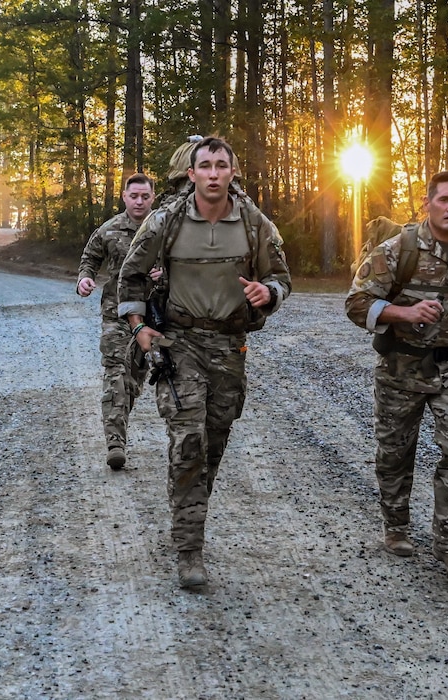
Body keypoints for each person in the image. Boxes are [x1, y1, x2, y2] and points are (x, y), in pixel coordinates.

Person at [117, 137, 291, 588]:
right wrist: (139, 327)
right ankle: (189, 547)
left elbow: (281, 278)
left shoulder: (255, 223)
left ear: (233, 173)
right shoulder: (165, 221)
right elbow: (131, 275)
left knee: (213, 443)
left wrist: (267, 293)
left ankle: (185, 507)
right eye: (205, 166)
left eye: (221, 166)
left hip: (230, 346)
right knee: (188, 439)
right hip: (180, 343)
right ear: (191, 174)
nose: (214, 174)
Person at [344, 170, 448, 584]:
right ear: (427, 203)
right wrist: (404, 313)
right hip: (401, 367)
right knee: (395, 452)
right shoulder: (397, 250)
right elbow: (357, 303)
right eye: (444, 200)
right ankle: (396, 525)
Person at [76, 172, 156, 470]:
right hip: (117, 314)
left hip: (154, 316)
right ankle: (115, 443)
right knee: (115, 374)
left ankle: (119, 417)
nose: (138, 201)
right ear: (124, 197)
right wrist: (84, 279)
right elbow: (89, 259)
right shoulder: (109, 230)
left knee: (134, 379)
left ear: (152, 198)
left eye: (144, 196)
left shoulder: (165, 229)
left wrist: (167, 274)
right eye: (133, 196)